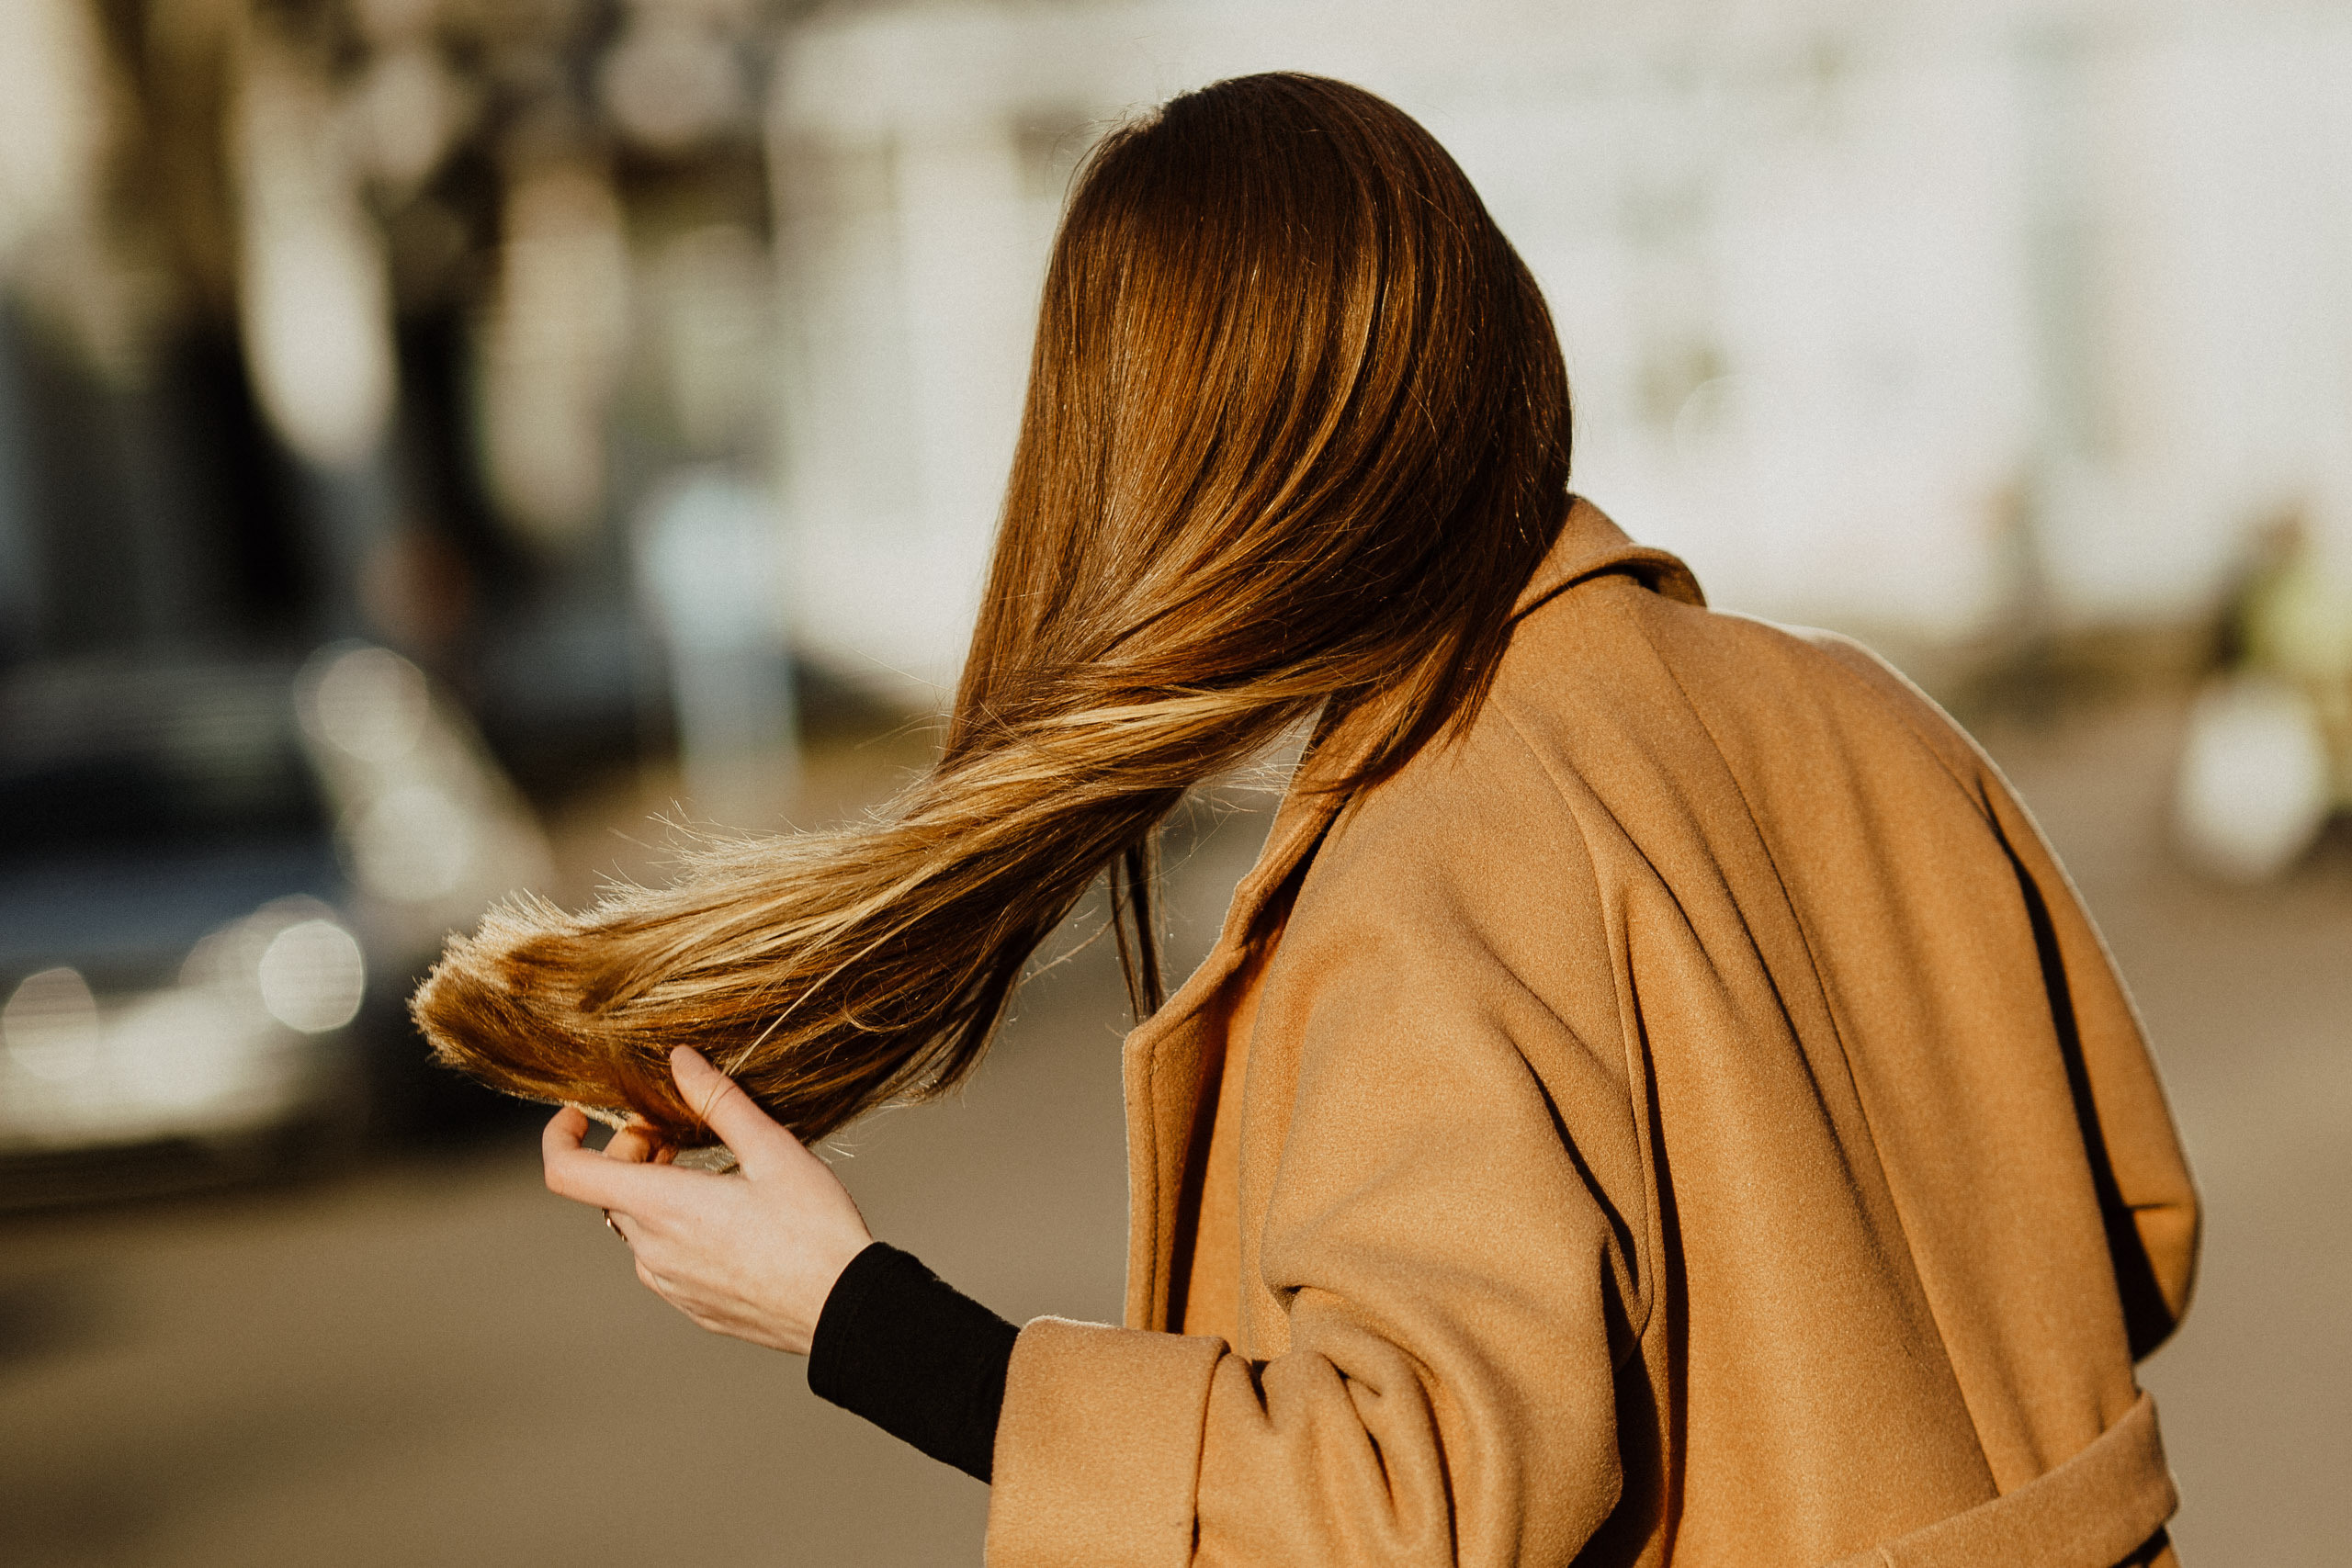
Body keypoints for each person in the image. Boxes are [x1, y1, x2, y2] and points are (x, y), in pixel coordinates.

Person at [415, 73, 2199, 1567]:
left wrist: (856, 1316)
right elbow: (2136, 1222)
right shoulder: (1856, 703)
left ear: (1172, 457)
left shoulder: (1440, 845)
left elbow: (1397, 1509)